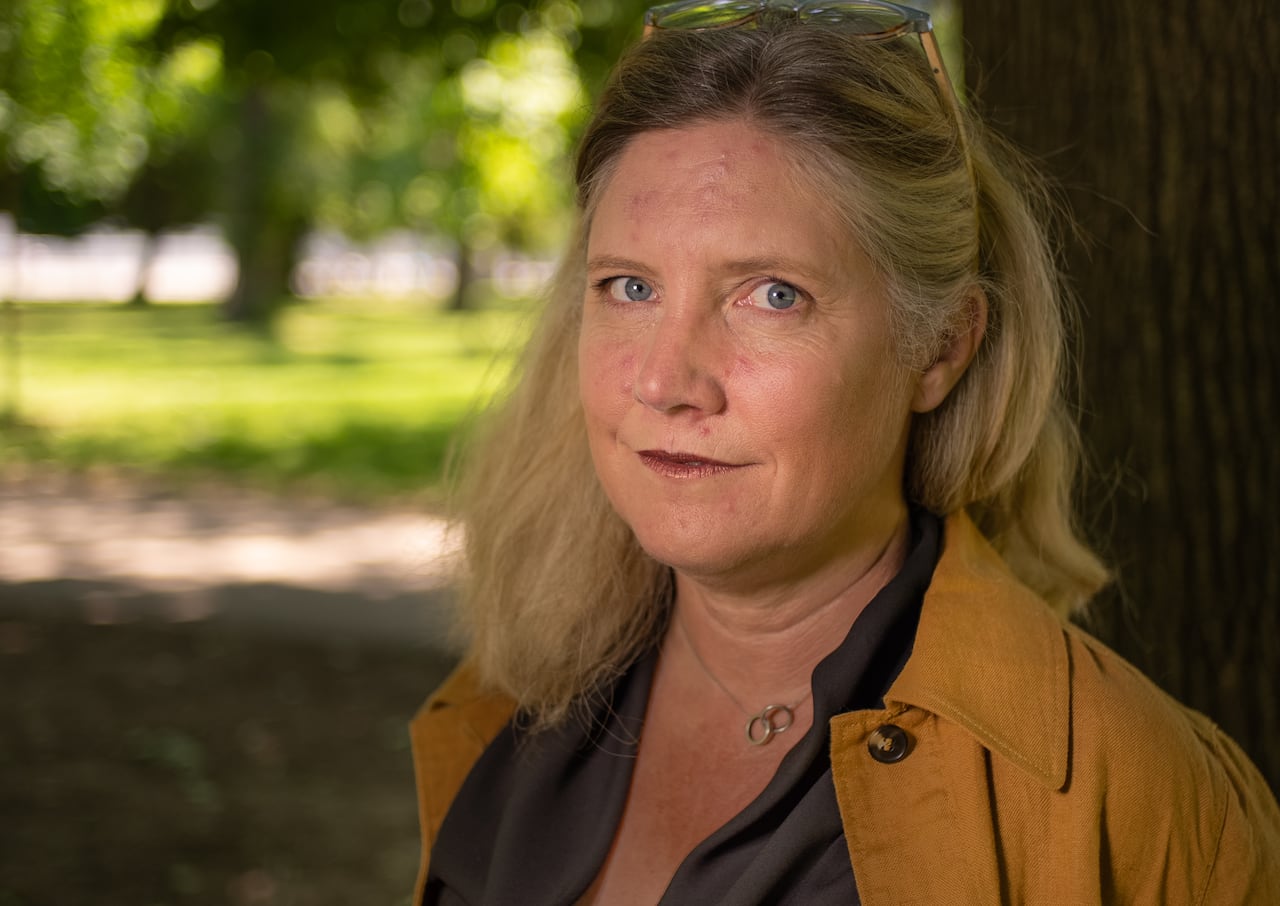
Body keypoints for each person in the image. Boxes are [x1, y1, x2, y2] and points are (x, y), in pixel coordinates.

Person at [409, 2, 1280, 903]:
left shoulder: (1131, 797)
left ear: (940, 346)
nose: (666, 382)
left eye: (771, 295)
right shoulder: (507, 706)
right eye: (630, 287)